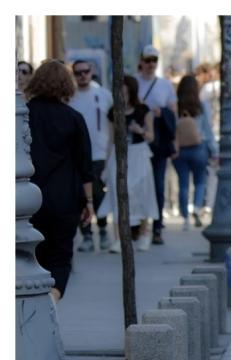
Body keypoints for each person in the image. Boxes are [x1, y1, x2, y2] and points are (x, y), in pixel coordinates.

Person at [25, 59, 93, 302]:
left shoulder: (23, 115)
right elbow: (85, 166)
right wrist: (89, 203)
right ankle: (52, 299)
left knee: (31, 257)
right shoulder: (74, 118)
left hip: (28, 201)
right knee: (61, 257)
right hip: (65, 199)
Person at [98, 75, 158, 252]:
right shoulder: (113, 112)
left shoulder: (143, 110)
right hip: (119, 154)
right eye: (120, 92)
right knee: (118, 194)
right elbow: (110, 139)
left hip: (139, 153)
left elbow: (151, 136)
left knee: (142, 193)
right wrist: (106, 163)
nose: (123, 96)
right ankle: (117, 238)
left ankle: (144, 234)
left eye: (126, 92)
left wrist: (140, 130)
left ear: (132, 92)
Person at [69, 59, 113, 252]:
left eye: (85, 71)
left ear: (91, 71)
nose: (83, 76)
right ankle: (87, 234)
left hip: (100, 152)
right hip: (76, 154)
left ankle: (102, 228)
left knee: (98, 193)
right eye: (78, 73)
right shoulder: (70, 97)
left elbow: (114, 123)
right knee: (80, 195)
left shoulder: (103, 95)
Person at [135, 45, 177, 245]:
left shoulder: (165, 85)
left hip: (158, 143)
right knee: (136, 185)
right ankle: (136, 226)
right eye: (148, 60)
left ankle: (157, 227)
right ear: (141, 61)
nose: (151, 64)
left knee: (158, 186)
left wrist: (162, 113)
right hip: (136, 141)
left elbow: (173, 114)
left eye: (154, 61)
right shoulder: (133, 83)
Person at [172, 74, 219, 230]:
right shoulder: (201, 105)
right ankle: (197, 209)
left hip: (180, 149)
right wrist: (214, 150)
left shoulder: (176, 106)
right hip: (200, 147)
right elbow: (208, 129)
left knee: (183, 184)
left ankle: (185, 217)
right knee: (200, 181)